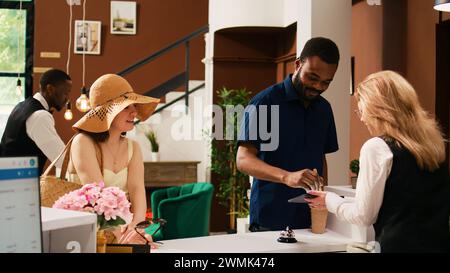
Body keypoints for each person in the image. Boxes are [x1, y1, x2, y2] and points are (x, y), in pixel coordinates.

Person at [306, 71, 450, 253]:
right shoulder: (433, 147)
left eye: (362, 110)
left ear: (378, 110)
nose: (362, 118)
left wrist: (330, 201)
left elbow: (363, 216)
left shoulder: (377, 148)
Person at [236, 37, 340, 231]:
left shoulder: (324, 109)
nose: (318, 87)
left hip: (310, 218)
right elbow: (243, 160)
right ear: (298, 64)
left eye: (326, 82)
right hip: (270, 219)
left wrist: (322, 197)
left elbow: (320, 157)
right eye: (313, 78)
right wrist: (287, 177)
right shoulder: (264, 103)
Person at [67, 74, 160, 245]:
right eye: (126, 107)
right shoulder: (83, 142)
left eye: (134, 105)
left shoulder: (133, 147)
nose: (134, 111)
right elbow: (98, 196)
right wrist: (124, 235)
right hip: (87, 232)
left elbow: (137, 190)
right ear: (107, 111)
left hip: (124, 229)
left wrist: (138, 229)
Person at [0, 69, 71, 175]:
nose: (67, 99)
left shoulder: (22, 105)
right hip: (16, 183)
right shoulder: (40, 116)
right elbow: (63, 160)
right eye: (65, 93)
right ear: (50, 89)